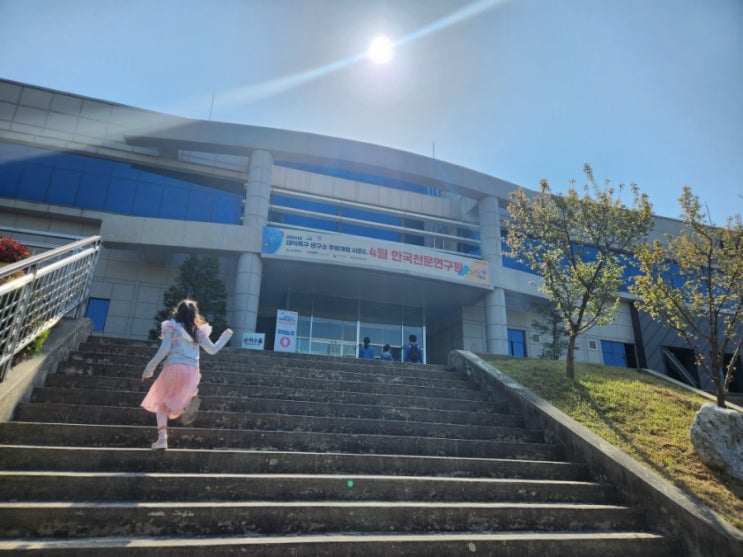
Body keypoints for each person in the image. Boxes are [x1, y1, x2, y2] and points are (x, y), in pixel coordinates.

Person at [140, 299, 233, 450]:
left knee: (161, 403)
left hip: (173, 367)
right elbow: (212, 350)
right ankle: (186, 405)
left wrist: (148, 370)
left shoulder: (171, 327)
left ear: (178, 312)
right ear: (194, 314)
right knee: (177, 399)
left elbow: (164, 350)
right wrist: (226, 336)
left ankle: (162, 438)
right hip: (192, 370)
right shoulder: (198, 331)